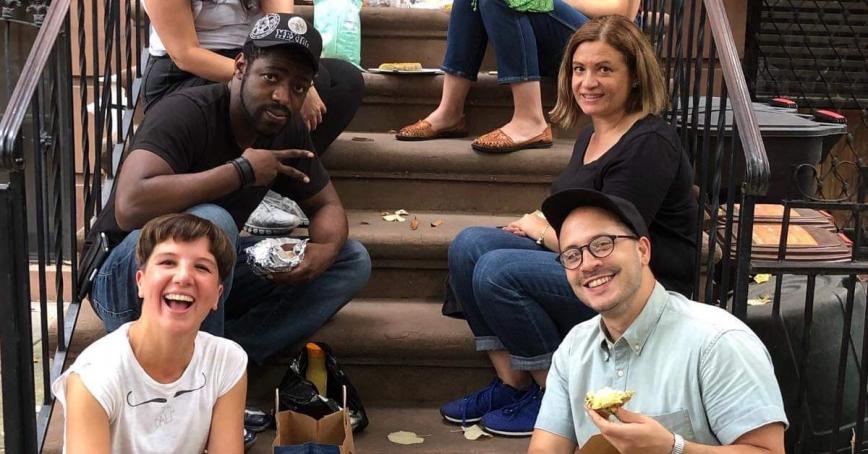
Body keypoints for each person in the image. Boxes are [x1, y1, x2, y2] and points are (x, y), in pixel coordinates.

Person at [82, 13, 371, 442]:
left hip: (204, 283)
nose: (282, 95)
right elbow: (129, 206)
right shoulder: (187, 111)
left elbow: (326, 205)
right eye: (271, 77)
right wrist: (240, 171)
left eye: (297, 87)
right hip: (127, 277)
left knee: (350, 259)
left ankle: (224, 358)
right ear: (240, 67)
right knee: (210, 227)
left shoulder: (284, 125)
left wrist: (321, 251)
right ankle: (206, 392)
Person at [439, 15, 696, 436]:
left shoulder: (650, 142)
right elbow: (578, 210)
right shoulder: (588, 136)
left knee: (497, 270)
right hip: (585, 260)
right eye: (580, 69)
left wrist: (541, 231)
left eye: (604, 69)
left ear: (634, 77)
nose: (587, 81)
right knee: (470, 246)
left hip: (640, 280)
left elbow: (612, 244)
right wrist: (538, 222)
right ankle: (512, 381)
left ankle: (554, 396)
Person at [529, 188, 788, 453]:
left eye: (602, 244)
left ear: (642, 250)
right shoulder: (574, 348)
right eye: (572, 255)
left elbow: (768, 450)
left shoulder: (718, 342)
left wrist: (673, 448)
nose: (587, 264)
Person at [141, 0, 365, 234]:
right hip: (186, 75)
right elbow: (185, 55)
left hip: (259, 62)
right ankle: (247, 190)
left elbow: (285, 31)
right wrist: (275, 79)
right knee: (277, 91)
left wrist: (297, 81)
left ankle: (270, 186)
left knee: (344, 81)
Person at [54, 213, 248, 453]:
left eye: (201, 267)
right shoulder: (94, 377)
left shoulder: (227, 361)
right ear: (141, 282)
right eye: (168, 262)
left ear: (218, 295)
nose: (184, 277)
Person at [395, 0, 639, 153]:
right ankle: (450, 112)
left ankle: (530, 120)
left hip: (598, 41)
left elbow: (622, 10)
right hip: (551, 39)